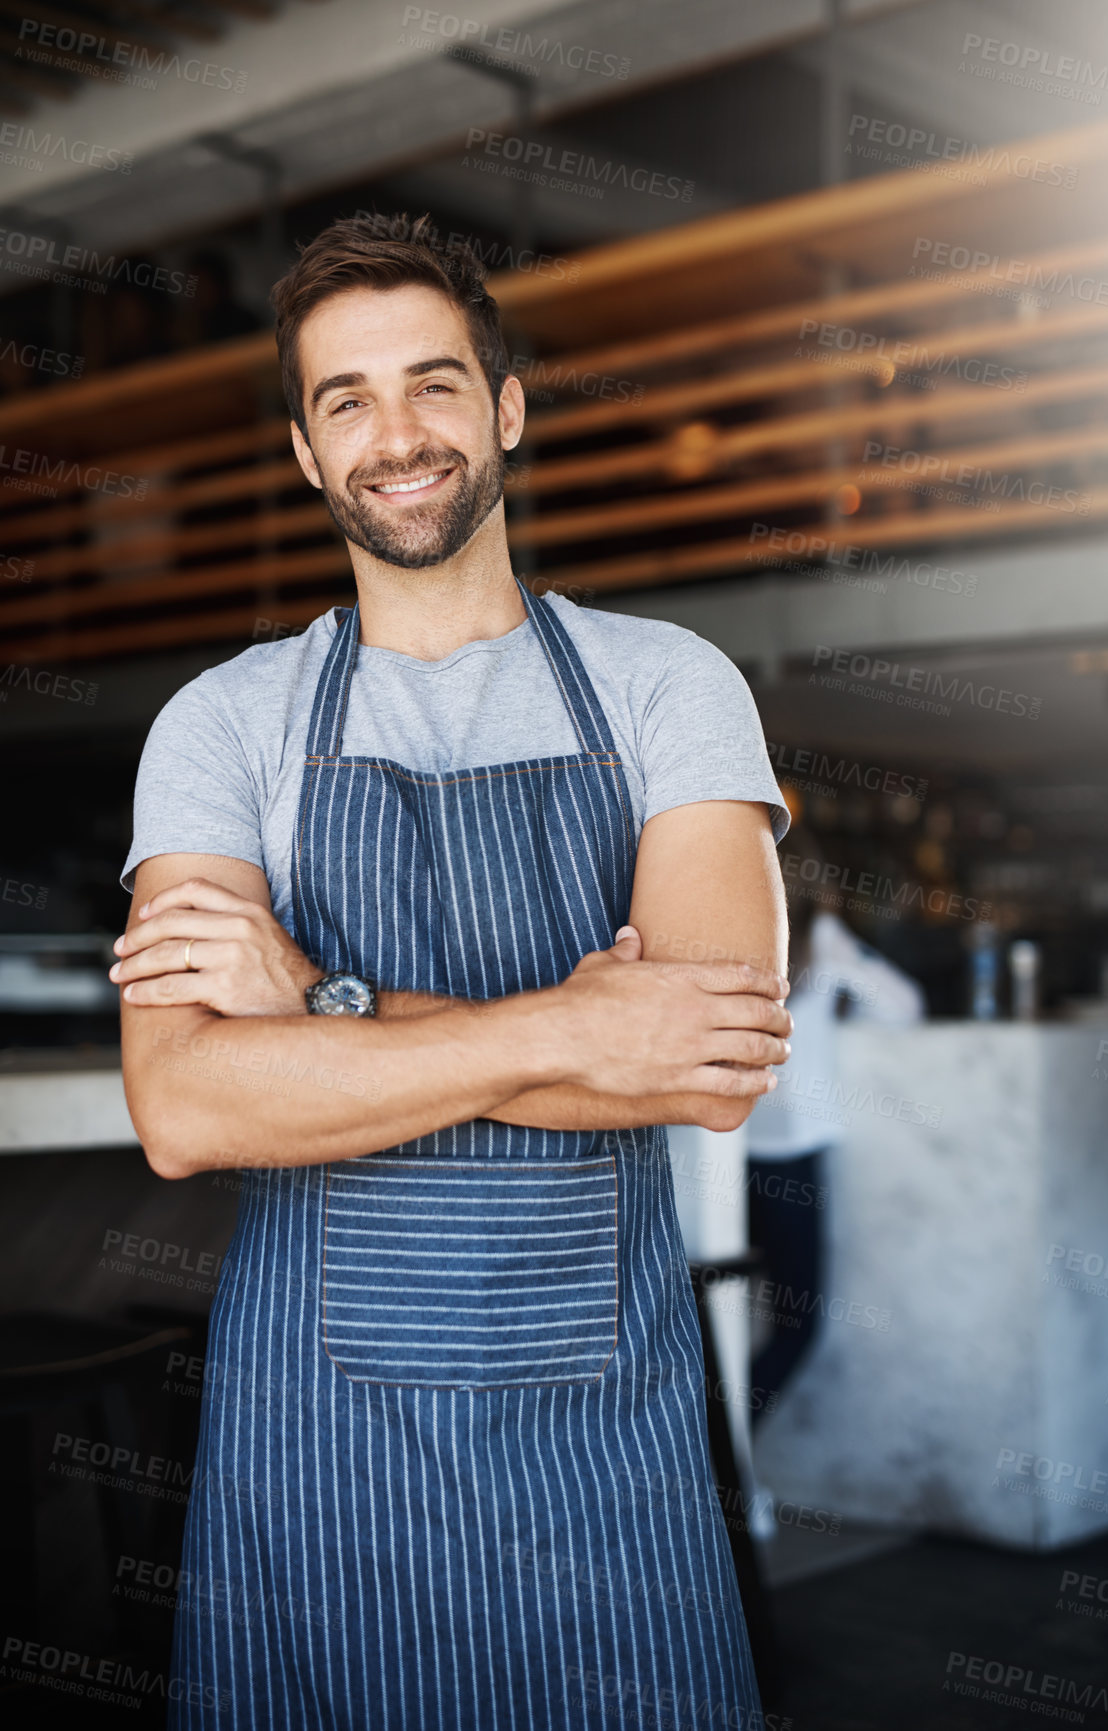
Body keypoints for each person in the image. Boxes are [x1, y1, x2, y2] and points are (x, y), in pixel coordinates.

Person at [112, 212, 795, 1729]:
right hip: (316, 1438)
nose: (394, 434)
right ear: (302, 450)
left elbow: (705, 1059)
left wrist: (318, 1004)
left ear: (504, 409)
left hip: (598, 1431)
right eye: (345, 399)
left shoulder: (665, 683)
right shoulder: (223, 724)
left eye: (432, 384)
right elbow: (183, 1103)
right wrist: (572, 1027)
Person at [743, 826, 924, 1527]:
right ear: (818, 888)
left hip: (714, 1160)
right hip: (787, 1159)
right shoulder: (820, 946)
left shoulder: (726, 936)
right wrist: (838, 951)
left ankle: (718, 1467)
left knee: (726, 1324)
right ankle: (720, 1463)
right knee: (797, 1322)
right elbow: (902, 1008)